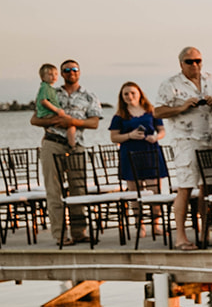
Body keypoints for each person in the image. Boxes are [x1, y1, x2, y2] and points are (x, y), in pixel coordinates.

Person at [153, 48, 212, 250]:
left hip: (211, 139)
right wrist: (182, 107)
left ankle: (205, 232)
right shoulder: (170, 84)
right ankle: (181, 237)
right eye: (189, 61)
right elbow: (158, 111)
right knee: (185, 187)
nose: (195, 65)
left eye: (198, 60)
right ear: (181, 63)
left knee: (208, 188)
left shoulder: (211, 79)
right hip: (185, 140)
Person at [31, 59, 101, 246]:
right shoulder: (50, 92)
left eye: (74, 69)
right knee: (54, 191)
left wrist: (72, 123)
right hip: (52, 143)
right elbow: (35, 120)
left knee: (78, 190)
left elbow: (94, 123)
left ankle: (80, 233)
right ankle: (60, 235)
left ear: (79, 72)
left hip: (76, 145)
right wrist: (56, 122)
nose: (71, 72)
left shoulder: (89, 96)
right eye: (66, 70)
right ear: (61, 74)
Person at [109, 82, 167, 188]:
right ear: (122, 97)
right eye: (126, 94)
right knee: (135, 194)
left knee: (155, 192)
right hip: (129, 154)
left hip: (150, 152)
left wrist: (156, 137)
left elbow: (162, 131)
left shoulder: (152, 111)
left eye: (133, 93)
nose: (130, 96)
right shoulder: (119, 116)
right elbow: (113, 137)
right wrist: (129, 135)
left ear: (140, 94)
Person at [34, 64, 73, 148]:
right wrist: (57, 110)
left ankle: (44, 146)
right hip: (48, 113)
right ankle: (72, 146)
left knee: (48, 132)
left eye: (55, 74)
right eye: (50, 74)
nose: (53, 76)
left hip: (45, 113)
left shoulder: (48, 88)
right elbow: (43, 101)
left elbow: (37, 100)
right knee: (71, 123)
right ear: (43, 77)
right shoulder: (45, 87)